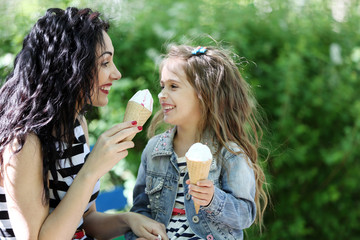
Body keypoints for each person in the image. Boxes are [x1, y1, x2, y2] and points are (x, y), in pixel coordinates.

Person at [0, 7, 168, 240]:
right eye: (105, 63)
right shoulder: (24, 143)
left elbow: (85, 221)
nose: (117, 74)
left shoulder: (76, 125)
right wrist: (92, 169)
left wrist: (129, 219)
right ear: (70, 65)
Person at [125, 45, 269, 240]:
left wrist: (213, 200)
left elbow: (245, 215)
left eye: (173, 86)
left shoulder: (229, 153)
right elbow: (141, 209)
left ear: (203, 94)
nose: (161, 95)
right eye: (162, 86)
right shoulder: (154, 151)